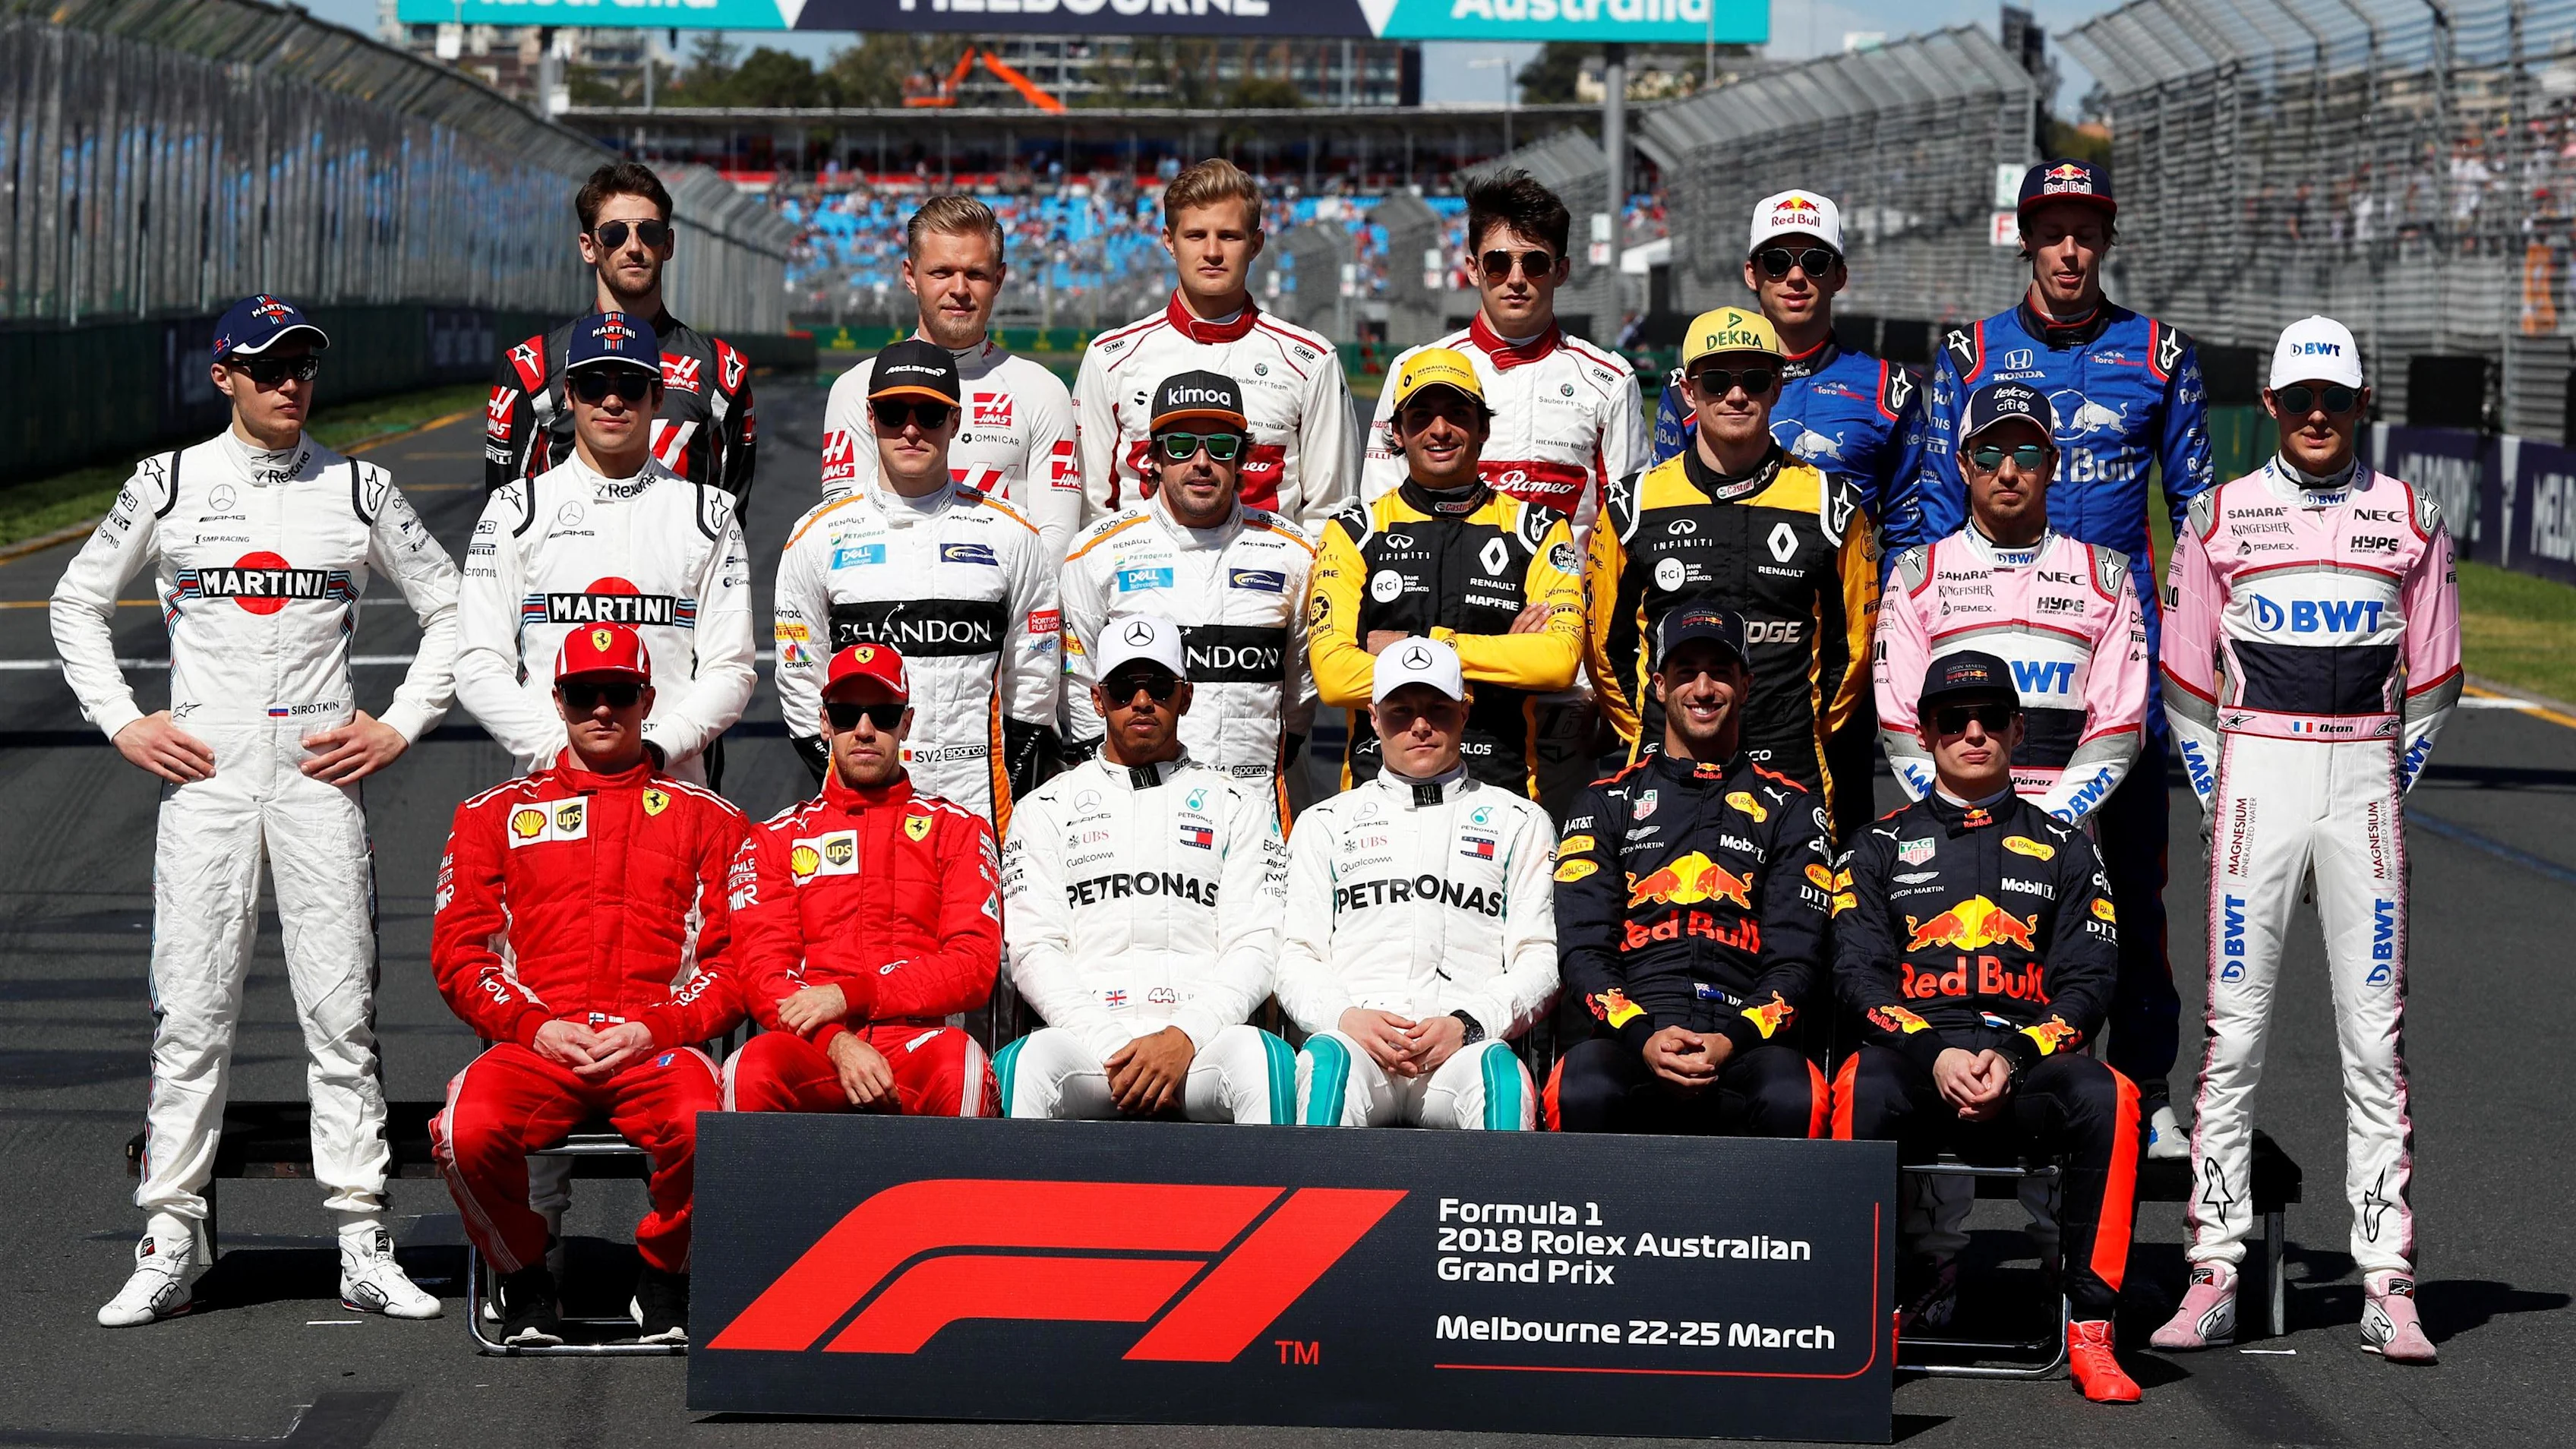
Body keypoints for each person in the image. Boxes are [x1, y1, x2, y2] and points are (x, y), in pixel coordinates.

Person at [57, 295, 457, 1328]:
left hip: (322, 781)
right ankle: (166, 1242)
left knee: (342, 1016)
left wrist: (403, 722)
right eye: (269, 366)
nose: (291, 383)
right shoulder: (171, 481)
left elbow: (454, 608)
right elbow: (76, 603)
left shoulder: (359, 487)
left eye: (304, 365)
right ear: (223, 375)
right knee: (191, 1018)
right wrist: (123, 723)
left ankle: (363, 1241)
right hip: (207, 781)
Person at [2152, 317, 2460, 1364]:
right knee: (2233, 1039)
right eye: (2300, 398)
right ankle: (2214, 1270)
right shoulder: (2220, 515)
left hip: (2363, 782)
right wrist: (2219, 794)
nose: (2318, 414)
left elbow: (2435, 680)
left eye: (2337, 397)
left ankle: (2389, 1278)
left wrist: (2382, 792)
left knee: (2376, 1042)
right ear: (2272, 407)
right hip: (2255, 781)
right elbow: (2188, 683)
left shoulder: (2411, 517)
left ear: (2362, 403)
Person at [1920, 158, 2212, 1119]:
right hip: (1990, 668)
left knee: (2130, 885)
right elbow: (1927, 520)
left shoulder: (2160, 353)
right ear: (2024, 238)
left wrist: (2192, 663)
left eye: (2085, 232)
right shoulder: (1967, 353)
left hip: (2115, 670)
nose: (2069, 250)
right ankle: (1970, 1064)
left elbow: (2200, 529)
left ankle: (2144, 1083)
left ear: (2106, 242)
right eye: (2052, 231)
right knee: (1968, 876)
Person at [1830, 650, 2140, 1404]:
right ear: (1924, 733)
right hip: (1914, 1058)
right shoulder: (1872, 847)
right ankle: (1851, 1317)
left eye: (1990, 719)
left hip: (2028, 1063)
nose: (1973, 733)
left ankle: (2089, 1329)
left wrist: (2009, 1054)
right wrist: (1933, 1051)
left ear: (2016, 730)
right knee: (1852, 1086)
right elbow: (1855, 976)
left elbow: (2088, 982)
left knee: (2113, 1097)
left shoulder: (2069, 847)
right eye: (1952, 721)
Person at [428, 623, 750, 1347]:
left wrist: (657, 1028)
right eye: (583, 695)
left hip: (655, 1047)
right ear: (559, 702)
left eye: (620, 694)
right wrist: (534, 1026)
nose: (602, 710)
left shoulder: (712, 820)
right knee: (460, 1132)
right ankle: (523, 1276)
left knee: (713, 1125)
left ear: (647, 701)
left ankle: (664, 1275)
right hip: (540, 1043)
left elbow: (738, 966)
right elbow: (459, 954)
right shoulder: (491, 816)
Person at [1584, 305, 1880, 845]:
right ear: (1690, 390)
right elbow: (1605, 648)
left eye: (1754, 380)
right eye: (1718, 381)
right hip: (1662, 762)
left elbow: (1855, 653)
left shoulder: (1832, 503)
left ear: (1777, 389)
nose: (1736, 395)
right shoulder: (1633, 505)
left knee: (1793, 923)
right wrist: (1662, 727)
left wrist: (1804, 725)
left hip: (1791, 762)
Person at [996, 614, 1294, 1123]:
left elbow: (1258, 944)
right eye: (1122, 689)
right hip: (1092, 1048)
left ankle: (1271, 1206)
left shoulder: (1239, 805)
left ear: (1186, 697)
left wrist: (1183, 1037)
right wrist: (1118, 1048)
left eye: (1158, 687)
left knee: (1261, 1060)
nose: (1140, 702)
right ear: (1097, 699)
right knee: (1029, 1064)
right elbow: (1032, 950)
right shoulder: (1043, 808)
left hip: (1201, 1048)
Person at [1548, 607, 1833, 1136]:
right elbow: (1583, 952)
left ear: (1746, 686)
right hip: (1631, 1032)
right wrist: (1641, 1035)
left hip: (1746, 1035)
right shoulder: (1605, 802)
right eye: (1686, 673)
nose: (1703, 689)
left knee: (1798, 1096)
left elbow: (1797, 961)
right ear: (1659, 686)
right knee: (1579, 1088)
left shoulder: (1792, 808)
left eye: (1720, 673)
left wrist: (1733, 1039)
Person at [456, 311, 753, 791]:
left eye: (631, 384)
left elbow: (731, 669)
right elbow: (477, 662)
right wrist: (561, 750)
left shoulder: (710, 514)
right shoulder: (514, 511)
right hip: (548, 790)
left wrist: (655, 749)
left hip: (668, 787)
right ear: (569, 395)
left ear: (658, 397)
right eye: (594, 383)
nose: (612, 400)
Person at [775, 339, 1059, 829]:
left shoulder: (1014, 533)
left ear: (955, 421)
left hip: (977, 808)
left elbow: (1034, 676)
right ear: (869, 418)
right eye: (892, 412)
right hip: (860, 807)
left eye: (928, 413)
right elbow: (801, 681)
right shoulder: (815, 536)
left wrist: (1005, 778)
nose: (910, 429)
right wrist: (844, 777)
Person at [1277, 639, 1558, 1129]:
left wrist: (1471, 1024)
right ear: (1373, 717)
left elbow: (1541, 957)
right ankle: (1312, 1208)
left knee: (1502, 1077)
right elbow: (1296, 955)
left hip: (1462, 1047)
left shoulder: (1521, 820)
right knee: (1328, 1066)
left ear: (1465, 712)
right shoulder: (1325, 821)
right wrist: (1344, 1018)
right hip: (1358, 1041)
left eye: (1438, 710)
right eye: (1401, 711)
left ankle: (1494, 1210)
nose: (1421, 725)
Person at [724, 642, 1002, 1120]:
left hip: (918, 1041)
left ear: (907, 723)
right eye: (848, 714)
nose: (866, 730)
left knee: (966, 1069)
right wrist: (835, 1041)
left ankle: (953, 1201)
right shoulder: (772, 839)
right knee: (747, 1069)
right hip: (813, 1043)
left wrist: (851, 995)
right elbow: (761, 971)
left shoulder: (957, 829)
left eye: (884, 715)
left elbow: (973, 964)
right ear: (825, 723)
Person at [1310, 347, 1581, 801]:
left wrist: (1425, 646)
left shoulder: (1538, 529)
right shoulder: (1354, 532)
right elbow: (1335, 677)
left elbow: (1558, 663)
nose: (1439, 430)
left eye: (1457, 413)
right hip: (1374, 793)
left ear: (1484, 428)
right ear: (1397, 433)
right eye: (1421, 417)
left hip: (1502, 790)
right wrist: (1504, 656)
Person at [1062, 371, 1317, 816]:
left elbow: (1301, 691)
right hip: (1135, 807)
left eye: (1221, 447)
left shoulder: (1294, 553)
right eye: (1181, 446)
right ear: (1155, 457)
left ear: (1242, 459)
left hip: (1255, 812)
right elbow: (1079, 684)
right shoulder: (1097, 552)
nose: (1202, 462)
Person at [1072, 157, 1358, 533]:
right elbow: (1092, 510)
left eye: (1229, 236)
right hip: (1141, 586)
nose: (1212, 252)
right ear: (1169, 242)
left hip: (1267, 587)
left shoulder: (1310, 361)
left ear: (1255, 245)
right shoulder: (1110, 358)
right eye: (1195, 236)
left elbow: (1332, 513)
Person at [1360, 169, 1649, 538]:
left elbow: (1628, 527)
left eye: (1535, 264)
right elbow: (1379, 511)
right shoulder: (1413, 369)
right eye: (1497, 263)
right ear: (1473, 270)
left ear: (1561, 271)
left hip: (1565, 595)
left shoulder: (1609, 381)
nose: (1515, 279)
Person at [1648, 188, 1927, 560]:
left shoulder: (1891, 391)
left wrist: (1888, 617)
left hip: (1839, 613)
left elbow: (1909, 536)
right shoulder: (1691, 384)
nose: (1795, 277)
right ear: (1752, 273)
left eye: (1815, 262)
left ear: (1839, 275)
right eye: (1777, 261)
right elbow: (1660, 512)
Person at [819, 196, 1080, 558]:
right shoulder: (855, 388)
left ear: (999, 279)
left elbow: (1056, 539)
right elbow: (843, 531)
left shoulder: (1043, 391)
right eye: (941, 273)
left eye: (976, 274)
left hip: (1002, 609)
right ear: (911, 276)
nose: (959, 289)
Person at [486, 160, 756, 506]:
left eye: (650, 232)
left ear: (668, 244)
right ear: (588, 246)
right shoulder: (533, 369)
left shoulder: (722, 372)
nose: (633, 247)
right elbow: (503, 519)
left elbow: (729, 524)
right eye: (614, 233)